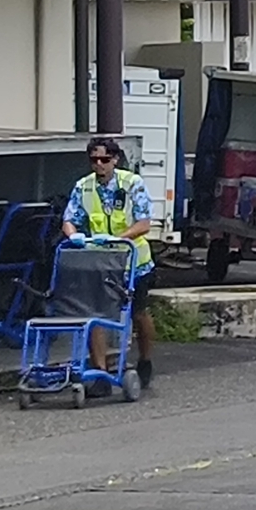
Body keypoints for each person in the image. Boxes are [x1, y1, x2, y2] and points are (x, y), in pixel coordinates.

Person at [62, 135, 157, 387]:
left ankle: (145, 358)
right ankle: (101, 372)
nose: (99, 164)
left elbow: (144, 223)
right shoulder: (84, 186)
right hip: (100, 263)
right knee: (95, 315)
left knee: (138, 313)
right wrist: (74, 236)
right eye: (94, 160)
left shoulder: (131, 183)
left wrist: (116, 238)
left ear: (115, 159)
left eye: (105, 159)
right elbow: (69, 218)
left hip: (133, 263)